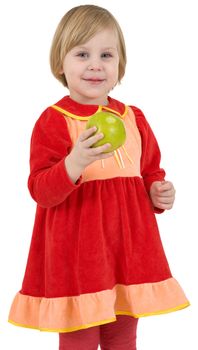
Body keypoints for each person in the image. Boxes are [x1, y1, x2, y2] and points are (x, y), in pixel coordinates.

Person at [8, 4, 190, 350]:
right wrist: (74, 162)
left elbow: (150, 170)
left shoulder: (133, 118)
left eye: (107, 54)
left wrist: (158, 191)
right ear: (60, 63)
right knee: (79, 339)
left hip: (128, 255)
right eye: (82, 53)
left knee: (123, 336)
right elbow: (41, 190)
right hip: (79, 260)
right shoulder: (54, 120)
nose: (95, 64)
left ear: (120, 65)